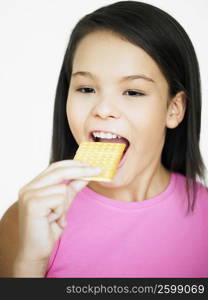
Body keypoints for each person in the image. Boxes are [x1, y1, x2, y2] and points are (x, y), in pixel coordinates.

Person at [0, 0, 208, 278]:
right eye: (86, 88)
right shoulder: (26, 220)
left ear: (174, 109)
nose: (103, 109)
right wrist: (29, 265)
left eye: (133, 92)